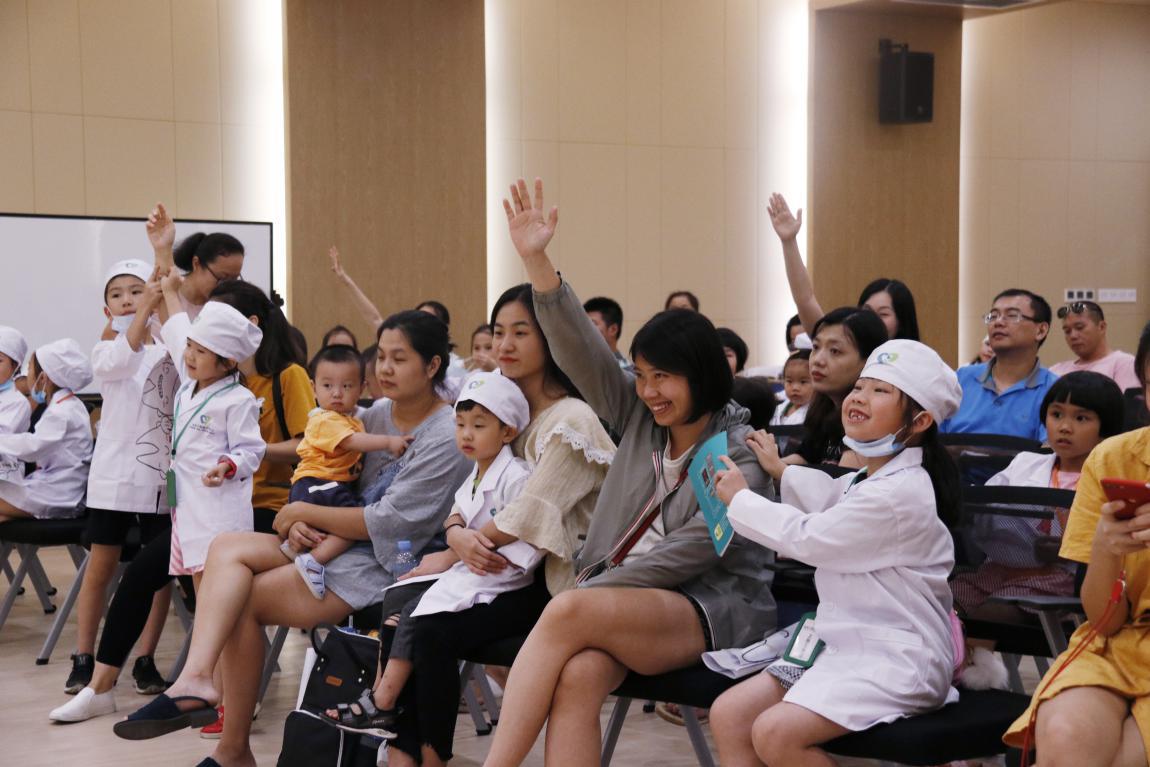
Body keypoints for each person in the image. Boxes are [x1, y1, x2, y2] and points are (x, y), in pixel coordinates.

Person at [479, 178, 774, 767]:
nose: (649, 390)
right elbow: (581, 350)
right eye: (641, 375)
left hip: (709, 606)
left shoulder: (737, 452)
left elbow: (691, 555)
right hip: (622, 601)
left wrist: (592, 587)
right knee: (578, 677)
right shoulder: (639, 417)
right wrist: (536, 261)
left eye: (664, 377)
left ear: (701, 376)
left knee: (566, 610)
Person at [114, 310, 469, 761]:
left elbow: (392, 522)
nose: (384, 368)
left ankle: (230, 746)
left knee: (243, 600)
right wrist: (298, 519)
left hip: (388, 562)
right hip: (332, 542)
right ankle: (197, 679)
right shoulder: (374, 415)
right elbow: (327, 475)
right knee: (225, 548)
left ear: (433, 365)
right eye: (380, 356)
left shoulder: (446, 435)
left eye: (398, 359)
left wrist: (302, 512)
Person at [362, 283, 615, 766]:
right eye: (499, 332)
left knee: (430, 629)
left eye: (521, 332)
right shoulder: (502, 405)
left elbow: (530, 513)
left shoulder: (572, 418)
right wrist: (455, 534)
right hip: (499, 566)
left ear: (552, 338)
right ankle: (401, 757)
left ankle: (426, 758)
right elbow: (469, 494)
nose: (505, 344)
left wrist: (453, 547)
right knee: (403, 608)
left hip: (556, 583)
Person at [710, 339, 962, 766]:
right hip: (844, 645)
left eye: (880, 391)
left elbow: (813, 538)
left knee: (774, 732)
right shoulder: (871, 478)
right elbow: (831, 496)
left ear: (919, 420)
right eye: (860, 386)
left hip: (898, 659)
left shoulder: (898, 494)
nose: (859, 397)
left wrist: (740, 500)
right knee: (730, 715)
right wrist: (781, 471)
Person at [320, 372, 536, 737]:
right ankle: (379, 692)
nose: (466, 435)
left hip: (499, 574)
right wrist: (455, 531)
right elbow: (458, 512)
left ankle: (384, 701)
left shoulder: (516, 476)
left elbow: (519, 526)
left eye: (478, 425)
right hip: (469, 568)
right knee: (399, 593)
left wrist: (462, 543)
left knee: (418, 611)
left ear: (508, 432)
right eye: (460, 424)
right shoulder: (477, 471)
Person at [1001, 320, 1150, 766]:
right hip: (1119, 645)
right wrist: (1106, 547)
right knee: (1064, 736)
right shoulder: (1114, 458)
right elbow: (1103, 620)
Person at [55, 260, 179, 709]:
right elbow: (121, 362)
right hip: (112, 475)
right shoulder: (104, 349)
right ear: (106, 308)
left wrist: (160, 308)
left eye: (136, 290)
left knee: (161, 571)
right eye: (117, 294)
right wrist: (145, 308)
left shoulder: (173, 346)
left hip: (166, 475)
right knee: (100, 566)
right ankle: (84, 657)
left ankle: (145, 659)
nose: (128, 299)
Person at [951, 371, 1125, 620]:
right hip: (999, 569)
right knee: (947, 604)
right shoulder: (1024, 463)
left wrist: (1065, 550)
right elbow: (985, 515)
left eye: (1081, 418)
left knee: (989, 614)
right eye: (1056, 415)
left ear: (1106, 427)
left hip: (1062, 580)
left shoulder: (1109, 479)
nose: (1064, 427)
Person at [280, 344, 412, 599]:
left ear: (361, 388)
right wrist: (388, 441)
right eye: (327, 386)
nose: (337, 393)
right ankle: (314, 561)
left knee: (339, 526)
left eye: (347, 386)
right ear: (313, 388)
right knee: (357, 524)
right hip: (319, 483)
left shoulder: (351, 418)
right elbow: (351, 441)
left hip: (319, 485)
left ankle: (299, 548)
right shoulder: (324, 419)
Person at [160, 301, 265, 581]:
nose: (189, 356)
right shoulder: (186, 389)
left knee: (216, 579)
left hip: (217, 509)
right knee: (197, 578)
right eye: (189, 346)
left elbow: (251, 450)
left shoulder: (238, 399)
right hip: (187, 503)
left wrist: (227, 465)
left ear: (228, 362)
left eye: (201, 351)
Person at [768, 193, 920, 342]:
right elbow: (805, 300)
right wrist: (789, 242)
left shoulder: (917, 356)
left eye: (883, 314)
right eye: (867, 311)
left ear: (902, 322)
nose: (873, 320)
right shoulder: (845, 348)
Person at [942, 289, 1058, 441]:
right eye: (993, 316)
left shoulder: (1054, 390)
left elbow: (1050, 451)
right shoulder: (961, 378)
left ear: (1041, 330)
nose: (998, 322)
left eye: (1012, 315)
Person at [0, 339, 93, 521]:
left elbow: (32, 448)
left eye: (29, 370)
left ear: (43, 378)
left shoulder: (61, 412)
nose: (26, 377)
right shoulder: (68, 405)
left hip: (58, 495)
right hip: (54, 487)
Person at [788, 307, 888, 470]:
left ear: (869, 360)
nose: (817, 360)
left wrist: (776, 468)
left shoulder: (869, 417)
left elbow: (842, 480)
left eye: (835, 351)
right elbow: (805, 458)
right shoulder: (825, 407)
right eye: (816, 347)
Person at [147, 203, 244, 320]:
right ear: (196, 263)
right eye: (222, 278)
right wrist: (163, 248)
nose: (227, 288)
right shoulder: (169, 289)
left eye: (234, 280)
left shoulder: (227, 310)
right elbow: (170, 325)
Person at [1050, 301, 1140, 392]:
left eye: (1079, 327)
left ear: (1101, 327)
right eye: (1067, 331)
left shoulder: (1124, 364)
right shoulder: (1056, 371)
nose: (1073, 336)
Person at [583, 296, 631, 371]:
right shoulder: (579, 366)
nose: (584, 329)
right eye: (583, 324)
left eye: (592, 323)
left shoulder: (628, 372)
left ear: (613, 329)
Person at [770, 350, 813, 427]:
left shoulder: (815, 414)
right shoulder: (779, 408)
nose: (795, 388)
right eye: (789, 381)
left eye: (803, 382)